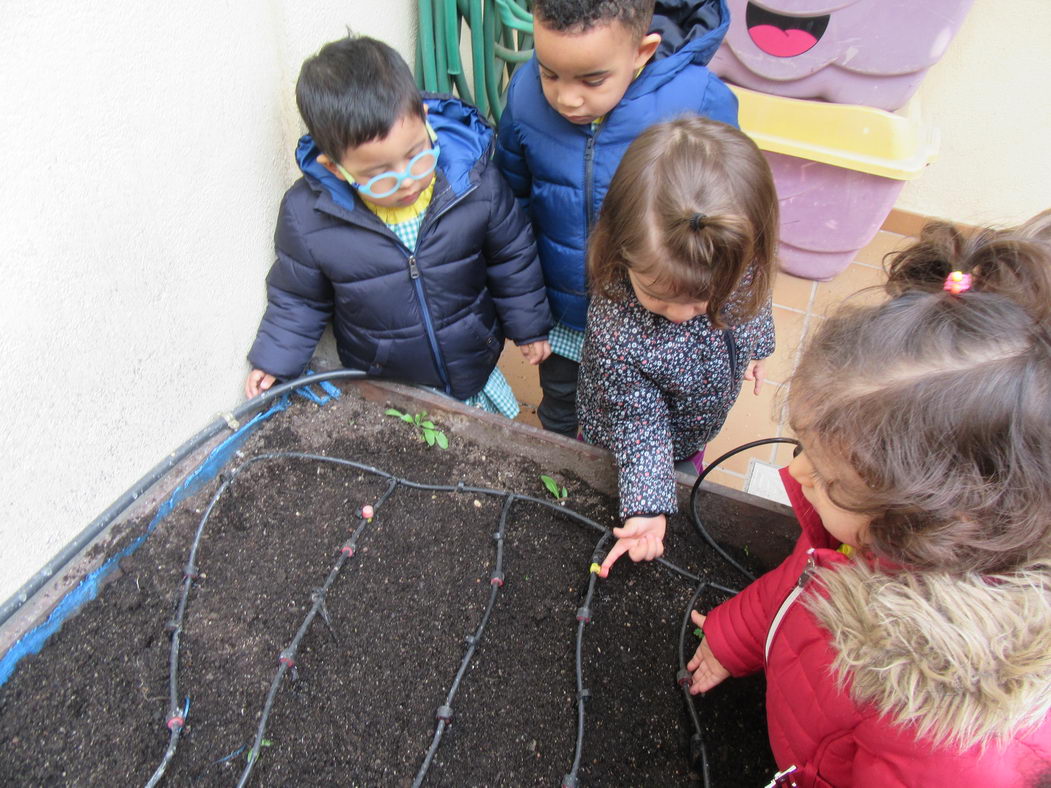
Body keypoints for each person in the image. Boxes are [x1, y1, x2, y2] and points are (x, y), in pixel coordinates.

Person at [688, 215, 1051, 786]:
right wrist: (734, 638)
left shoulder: (950, 737)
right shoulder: (863, 532)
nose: (796, 471)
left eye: (830, 480)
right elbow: (802, 582)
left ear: (931, 519)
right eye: (804, 447)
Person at [245, 34, 552, 415]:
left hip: (472, 362)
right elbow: (298, 297)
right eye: (379, 176)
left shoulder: (473, 183)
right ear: (334, 169)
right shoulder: (309, 217)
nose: (406, 181)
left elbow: (512, 256)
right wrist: (275, 360)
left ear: (424, 120)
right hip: (387, 385)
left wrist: (529, 326)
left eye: (416, 156)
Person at [495, 0, 738, 437]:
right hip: (563, 312)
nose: (566, 98)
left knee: (638, 424)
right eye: (549, 71)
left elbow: (731, 217)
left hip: (650, 319)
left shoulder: (698, 100)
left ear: (641, 52)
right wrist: (526, 313)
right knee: (561, 411)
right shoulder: (525, 94)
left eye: (592, 79)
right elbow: (512, 212)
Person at [580, 116, 778, 574]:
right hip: (623, 438)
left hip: (693, 425)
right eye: (659, 296)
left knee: (687, 458)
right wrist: (648, 504)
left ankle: (681, 466)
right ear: (621, 250)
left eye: (701, 301)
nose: (680, 313)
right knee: (607, 481)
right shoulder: (618, 328)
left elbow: (755, 304)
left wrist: (756, 349)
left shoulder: (738, 266)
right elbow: (638, 422)